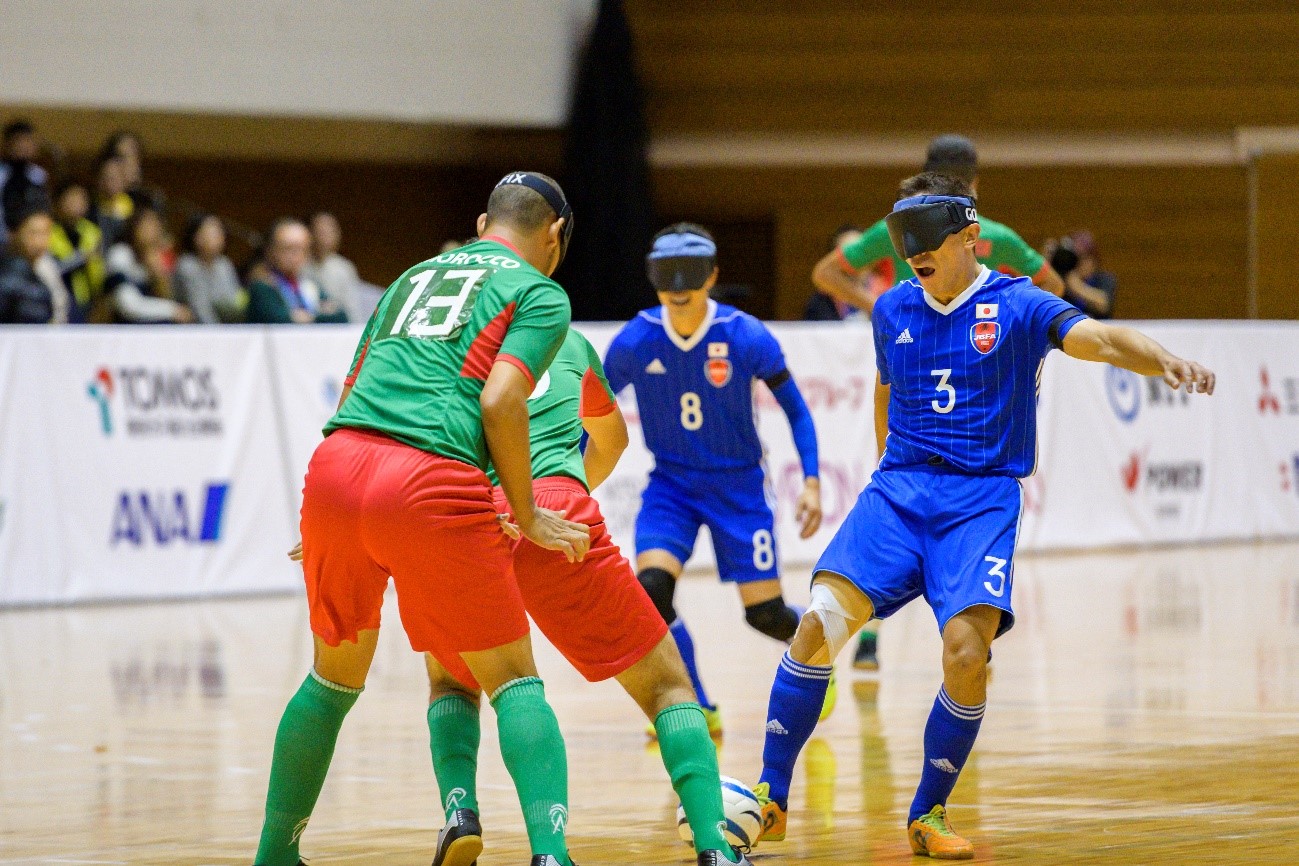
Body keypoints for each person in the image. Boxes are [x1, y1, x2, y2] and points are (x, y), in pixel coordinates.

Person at [751, 172, 1215, 859]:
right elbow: (885, 390)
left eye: (930, 244)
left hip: (979, 500)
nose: (917, 258)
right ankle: (769, 796)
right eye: (907, 250)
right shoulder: (890, 310)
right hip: (899, 491)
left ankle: (927, 814)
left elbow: (1104, 341)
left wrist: (1164, 360)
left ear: (970, 238)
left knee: (967, 656)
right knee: (817, 622)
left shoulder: (1020, 305)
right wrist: (887, 469)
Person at [252, 171, 592, 866]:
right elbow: (501, 401)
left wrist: (325, 515)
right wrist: (525, 514)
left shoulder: (411, 276)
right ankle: (550, 856)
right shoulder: (539, 292)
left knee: (330, 680)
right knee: (512, 679)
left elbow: (356, 384)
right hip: (428, 478)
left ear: (480, 223)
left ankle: (274, 855)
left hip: (337, 468)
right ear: (554, 235)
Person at [414, 326, 751, 866]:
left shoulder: (443, 345)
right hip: (558, 510)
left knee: (454, 679)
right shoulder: (565, 338)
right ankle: (715, 847)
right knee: (667, 686)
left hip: (468, 516)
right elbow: (613, 438)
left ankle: (462, 813)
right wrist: (561, 491)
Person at [813, 133, 1067, 673]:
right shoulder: (998, 236)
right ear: (975, 183)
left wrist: (874, 303)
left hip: (908, 381)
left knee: (890, 512)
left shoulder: (897, 229)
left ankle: (869, 639)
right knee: (973, 510)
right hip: (971, 388)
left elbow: (826, 272)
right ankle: (974, 624)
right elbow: (1056, 288)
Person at [603, 223, 827, 740]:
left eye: (692, 273)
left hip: (739, 489)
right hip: (671, 489)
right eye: (666, 275)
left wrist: (811, 482)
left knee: (766, 616)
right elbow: (592, 411)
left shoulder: (744, 333)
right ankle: (699, 706)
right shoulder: (636, 340)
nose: (679, 286)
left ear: (713, 276)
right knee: (651, 592)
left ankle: (822, 648)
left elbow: (797, 412)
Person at [247, 218, 348, 324]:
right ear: (271, 250)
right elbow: (277, 320)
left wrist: (307, 318)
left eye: (302, 249)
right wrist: (319, 315)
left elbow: (341, 316)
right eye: (288, 248)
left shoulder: (308, 285)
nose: (295, 255)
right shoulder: (262, 286)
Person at [105, 207, 194, 324]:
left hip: (153, 323)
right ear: (133, 228)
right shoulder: (119, 254)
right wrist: (172, 310)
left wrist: (157, 274)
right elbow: (128, 307)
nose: (150, 231)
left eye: (155, 225)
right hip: (120, 326)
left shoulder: (159, 257)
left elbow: (167, 297)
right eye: (145, 225)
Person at [47, 179, 106, 323]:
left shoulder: (93, 232)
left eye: (81, 198)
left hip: (90, 298)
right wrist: (81, 258)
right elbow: (53, 268)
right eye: (71, 198)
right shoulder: (48, 233)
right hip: (59, 297)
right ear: (58, 202)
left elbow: (101, 268)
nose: (77, 203)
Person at [0, 203, 69, 324]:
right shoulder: (6, 269)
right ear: (13, 233)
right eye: (33, 233)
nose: (39, 241)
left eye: (45, 232)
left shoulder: (48, 266)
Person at [173, 212, 244, 323]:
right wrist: (219, 336)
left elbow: (233, 302)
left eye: (220, 232)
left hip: (226, 328)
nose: (219, 236)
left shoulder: (224, 264)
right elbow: (200, 309)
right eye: (213, 233)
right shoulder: (187, 265)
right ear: (197, 238)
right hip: (193, 329)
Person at [803, 225, 878, 321]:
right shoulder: (819, 303)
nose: (853, 263)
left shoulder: (886, 292)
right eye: (848, 256)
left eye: (859, 255)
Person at [307, 211, 369, 322]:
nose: (325, 237)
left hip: (339, 327)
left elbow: (353, 308)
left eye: (330, 232)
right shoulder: (299, 266)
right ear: (309, 233)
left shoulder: (344, 268)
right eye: (320, 232)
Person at [0, 120, 49, 248]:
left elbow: (42, 209)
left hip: (33, 243)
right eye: (18, 141)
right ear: (7, 144)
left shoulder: (39, 175)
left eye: (27, 141)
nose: (22, 146)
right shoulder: (2, 175)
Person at [1048, 230, 1117, 319]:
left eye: (1083, 258)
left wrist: (1076, 286)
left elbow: (1104, 304)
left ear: (1093, 260)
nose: (1078, 264)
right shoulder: (1060, 279)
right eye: (1075, 258)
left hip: (1097, 328)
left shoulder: (1105, 279)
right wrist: (1046, 266)